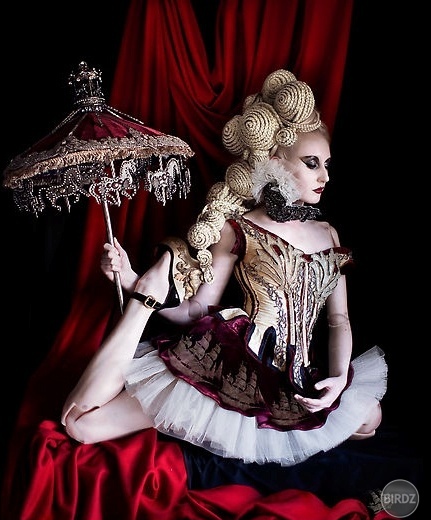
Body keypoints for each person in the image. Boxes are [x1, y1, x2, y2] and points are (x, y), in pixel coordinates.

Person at [61, 69, 387, 466]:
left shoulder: (329, 234)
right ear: (275, 162)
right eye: (312, 163)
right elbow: (197, 310)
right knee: (81, 427)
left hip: (300, 377)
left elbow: (339, 320)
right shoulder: (239, 228)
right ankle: (144, 299)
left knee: (370, 418)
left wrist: (336, 379)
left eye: (327, 164)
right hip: (233, 365)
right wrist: (132, 282)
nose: (325, 176)